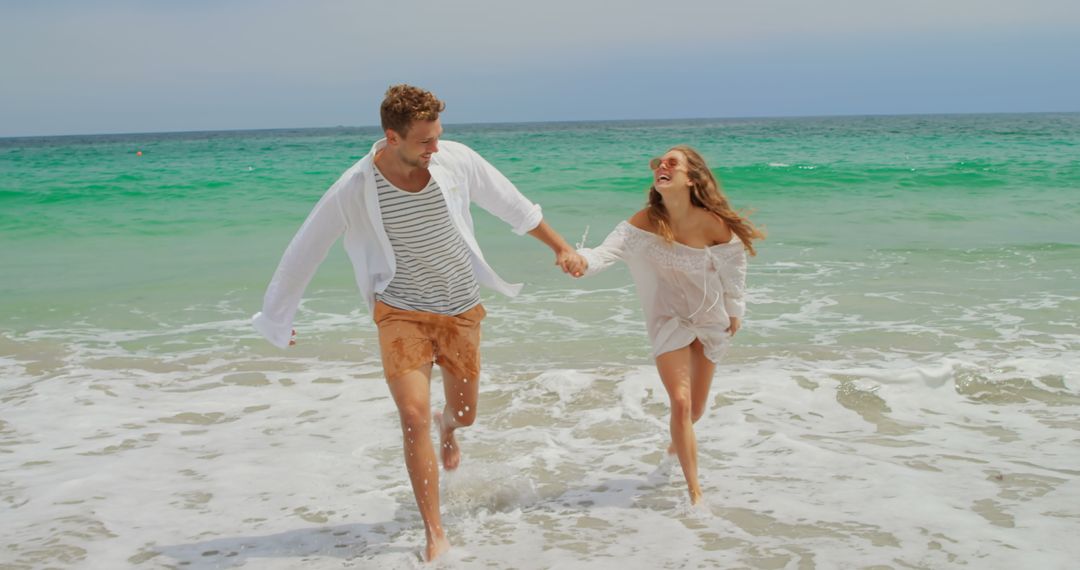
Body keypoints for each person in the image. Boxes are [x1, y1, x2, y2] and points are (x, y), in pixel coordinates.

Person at [251, 84, 581, 561]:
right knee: (410, 416)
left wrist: (562, 248)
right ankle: (435, 532)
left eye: (438, 136)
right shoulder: (356, 187)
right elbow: (305, 249)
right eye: (425, 140)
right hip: (399, 310)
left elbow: (514, 205)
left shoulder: (456, 161)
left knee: (465, 412)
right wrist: (278, 318)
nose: (435, 147)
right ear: (392, 137)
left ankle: (448, 427)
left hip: (460, 307)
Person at [569, 145, 764, 505]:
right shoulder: (644, 222)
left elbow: (734, 266)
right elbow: (604, 252)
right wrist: (579, 261)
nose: (662, 165)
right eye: (659, 162)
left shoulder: (713, 223)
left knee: (697, 409)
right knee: (680, 402)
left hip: (709, 318)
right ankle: (695, 496)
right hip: (667, 320)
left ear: (690, 178)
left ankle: (676, 449)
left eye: (672, 163)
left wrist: (735, 309)